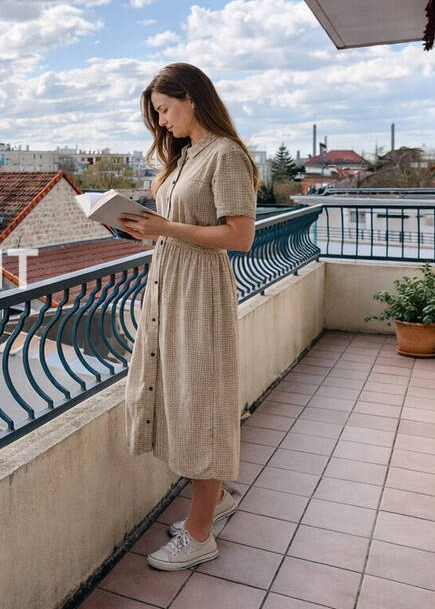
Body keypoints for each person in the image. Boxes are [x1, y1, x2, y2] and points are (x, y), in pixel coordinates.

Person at [116, 62, 258, 571]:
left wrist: (165, 229)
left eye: (165, 109)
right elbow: (173, 225)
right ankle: (214, 503)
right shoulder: (186, 156)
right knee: (180, 394)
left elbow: (240, 237)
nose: (161, 122)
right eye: (156, 114)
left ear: (192, 99)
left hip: (199, 290)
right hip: (169, 283)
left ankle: (200, 534)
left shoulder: (226, 156)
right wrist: (146, 228)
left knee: (202, 401)